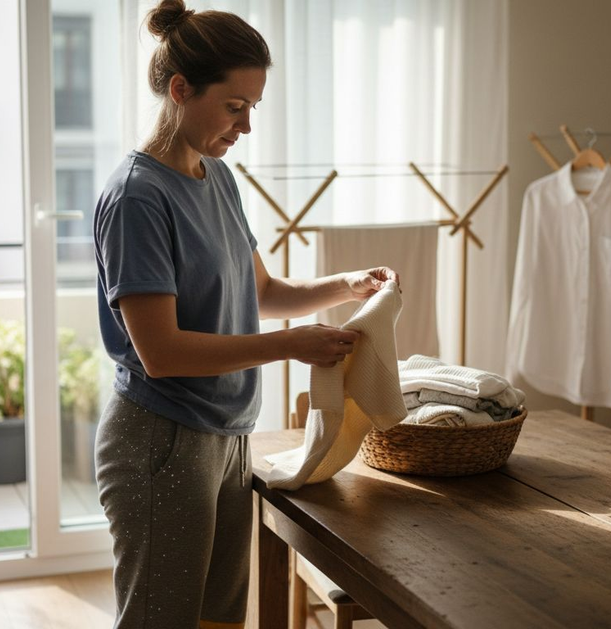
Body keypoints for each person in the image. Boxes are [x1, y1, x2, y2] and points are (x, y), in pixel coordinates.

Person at [92, 1, 399, 627]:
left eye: (254, 108)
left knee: (219, 618)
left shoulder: (216, 178)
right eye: (236, 107)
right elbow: (164, 352)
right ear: (181, 90)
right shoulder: (137, 198)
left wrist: (347, 284)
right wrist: (291, 346)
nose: (247, 126)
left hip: (229, 435)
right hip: (161, 440)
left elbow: (262, 291)